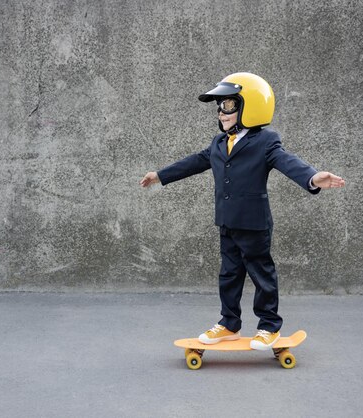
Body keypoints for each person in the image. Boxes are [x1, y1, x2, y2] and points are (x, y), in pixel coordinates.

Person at [140, 72, 345, 350]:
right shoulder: (218, 143)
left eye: (227, 105)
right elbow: (194, 163)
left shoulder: (266, 142)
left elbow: (287, 162)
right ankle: (229, 323)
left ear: (249, 106)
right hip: (227, 221)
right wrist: (161, 175)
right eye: (219, 106)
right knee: (229, 274)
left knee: (261, 273)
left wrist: (312, 177)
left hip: (254, 223)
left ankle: (269, 326)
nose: (221, 112)